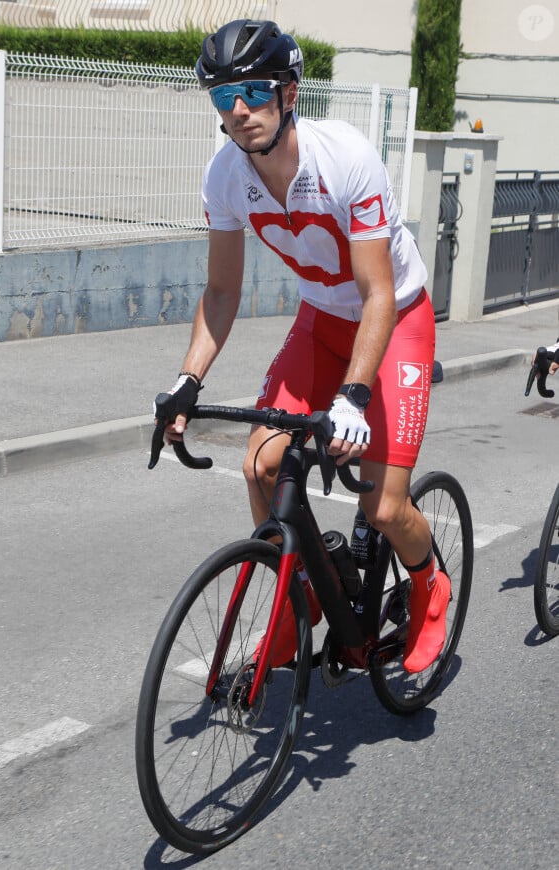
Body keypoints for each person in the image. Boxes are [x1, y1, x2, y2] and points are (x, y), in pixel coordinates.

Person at [157, 19, 450, 674]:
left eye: (254, 90)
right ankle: (305, 598)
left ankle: (430, 584)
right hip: (322, 320)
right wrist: (187, 383)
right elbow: (222, 292)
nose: (238, 110)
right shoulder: (225, 178)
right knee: (260, 466)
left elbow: (378, 294)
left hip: (395, 318)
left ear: (288, 92)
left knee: (382, 504)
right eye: (222, 97)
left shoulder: (344, 158)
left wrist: (352, 396)